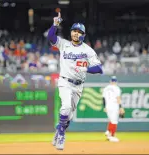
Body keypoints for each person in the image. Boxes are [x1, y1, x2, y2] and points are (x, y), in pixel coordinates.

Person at [47, 12, 103, 150]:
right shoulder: (64, 44)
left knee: (68, 118)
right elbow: (51, 37)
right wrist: (55, 24)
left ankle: (59, 129)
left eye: (79, 32)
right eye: (74, 31)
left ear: (83, 34)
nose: (76, 33)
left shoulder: (87, 50)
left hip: (78, 86)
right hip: (65, 82)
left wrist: (85, 68)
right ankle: (61, 135)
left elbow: (99, 68)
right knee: (65, 107)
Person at [102, 76, 125, 142]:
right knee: (114, 121)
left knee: (111, 120)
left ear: (110, 81)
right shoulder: (116, 88)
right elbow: (118, 98)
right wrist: (121, 107)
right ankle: (112, 136)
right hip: (114, 106)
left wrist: (104, 107)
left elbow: (103, 99)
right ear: (116, 82)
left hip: (107, 106)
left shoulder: (106, 88)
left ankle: (108, 132)